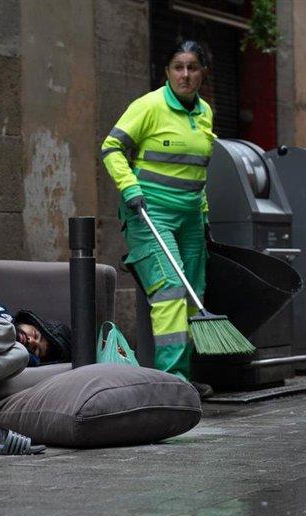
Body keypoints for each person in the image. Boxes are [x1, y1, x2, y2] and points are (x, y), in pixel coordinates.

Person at [100, 40, 215, 398]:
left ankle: (183, 374)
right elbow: (111, 148)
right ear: (167, 72)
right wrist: (129, 187)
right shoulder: (148, 106)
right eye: (178, 67)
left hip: (191, 218)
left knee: (193, 295)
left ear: (202, 74)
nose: (185, 74)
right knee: (170, 292)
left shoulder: (205, 112)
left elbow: (197, 171)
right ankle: (173, 381)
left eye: (192, 67)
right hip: (150, 213)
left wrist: (205, 213)